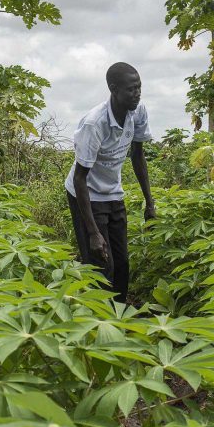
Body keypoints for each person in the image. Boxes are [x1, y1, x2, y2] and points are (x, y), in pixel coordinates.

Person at [64, 62, 156, 302]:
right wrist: (93, 232)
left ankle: (120, 313)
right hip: (86, 195)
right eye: (131, 89)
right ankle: (99, 319)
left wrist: (150, 202)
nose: (137, 94)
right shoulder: (95, 124)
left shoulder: (138, 111)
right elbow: (80, 178)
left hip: (113, 194)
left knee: (122, 262)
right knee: (101, 263)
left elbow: (138, 156)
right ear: (113, 89)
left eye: (139, 88)